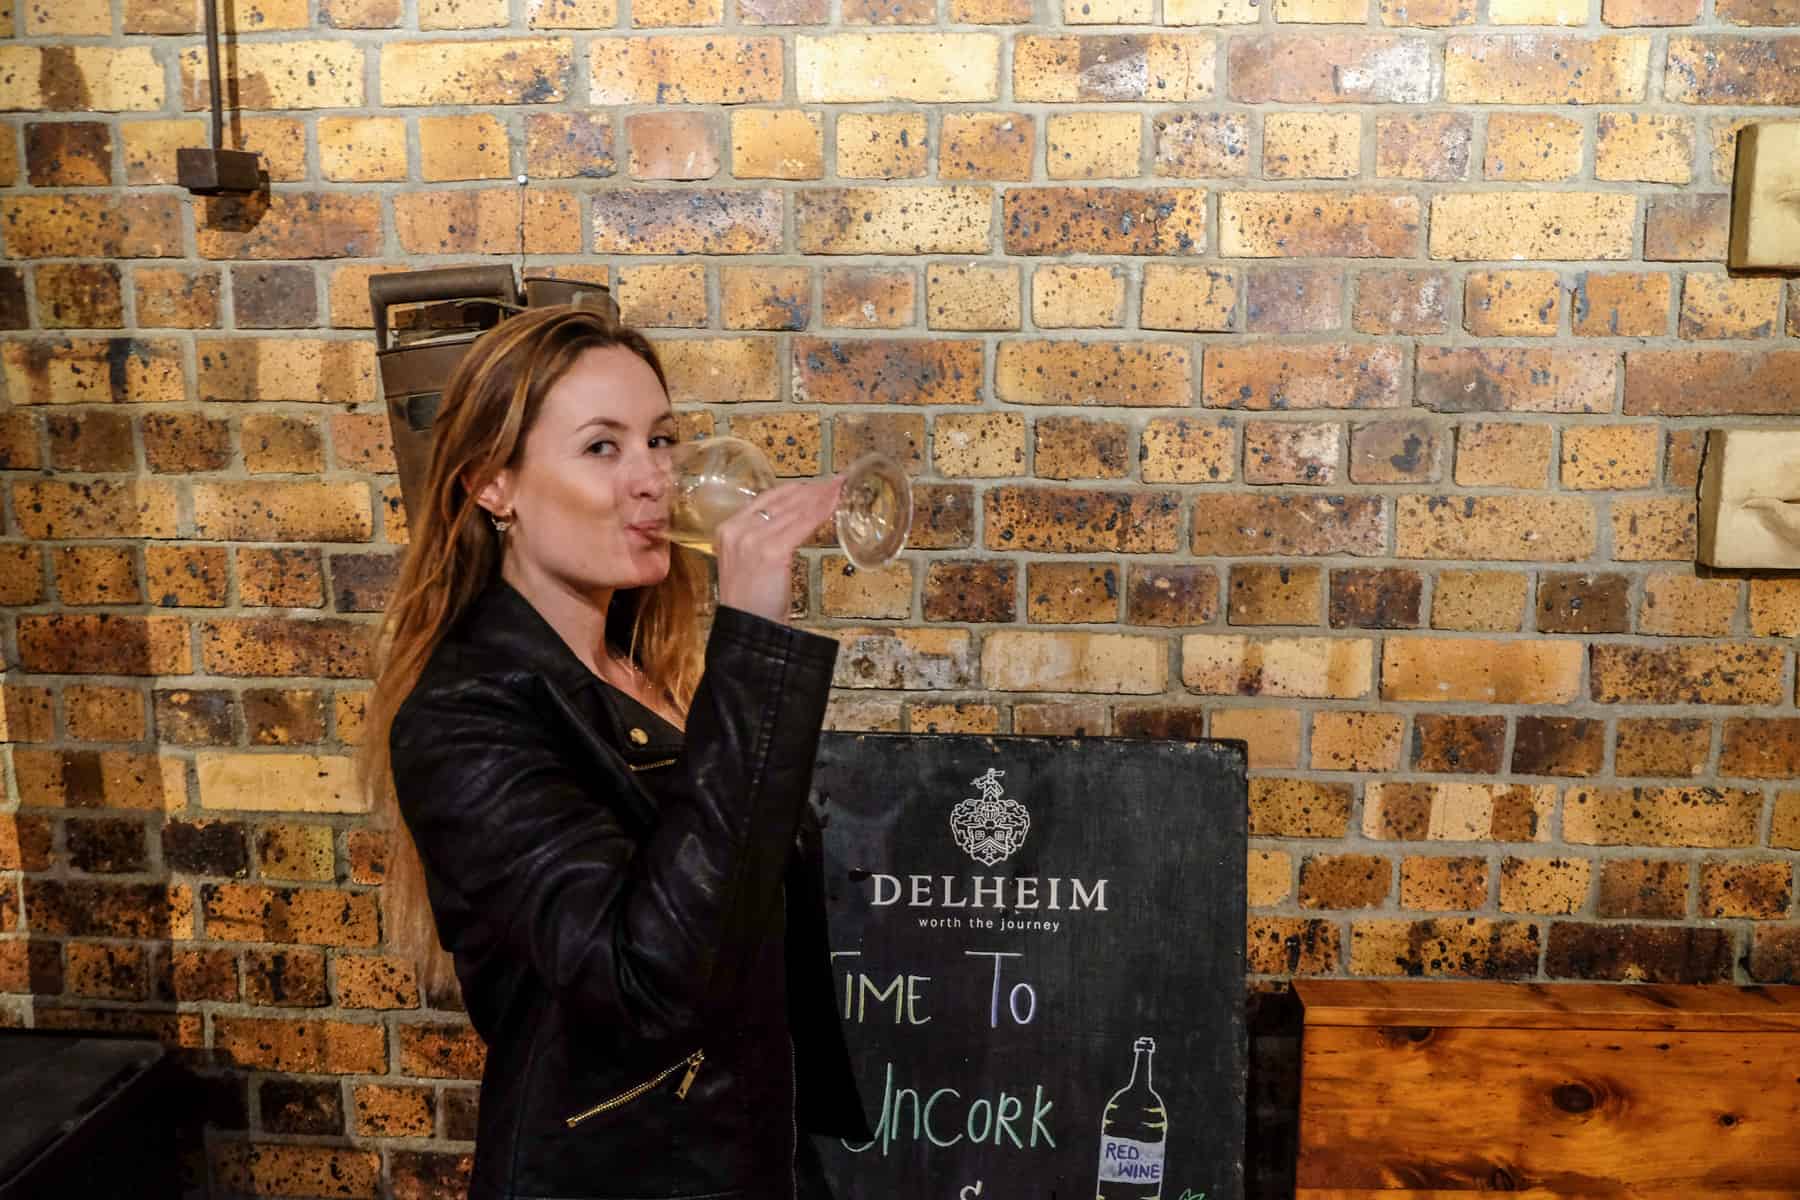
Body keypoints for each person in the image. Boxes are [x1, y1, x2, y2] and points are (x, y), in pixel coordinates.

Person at [360, 303, 870, 1200]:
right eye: (603, 448)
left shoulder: (643, 675)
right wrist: (753, 641)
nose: (655, 481)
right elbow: (650, 980)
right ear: (494, 486)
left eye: (661, 441)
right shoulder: (464, 716)